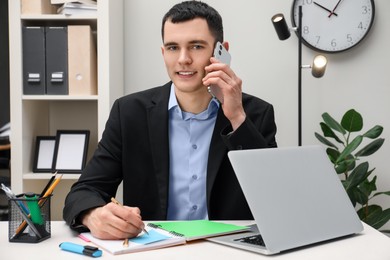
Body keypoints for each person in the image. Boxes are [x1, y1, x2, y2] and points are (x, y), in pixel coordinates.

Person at [63, 0, 277, 240]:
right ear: (164, 53)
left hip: (229, 248)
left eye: (196, 46)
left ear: (221, 52)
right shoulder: (129, 113)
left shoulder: (255, 114)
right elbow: (84, 191)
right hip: (154, 248)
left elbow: (273, 199)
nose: (183, 59)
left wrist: (237, 118)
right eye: (173, 47)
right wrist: (92, 215)